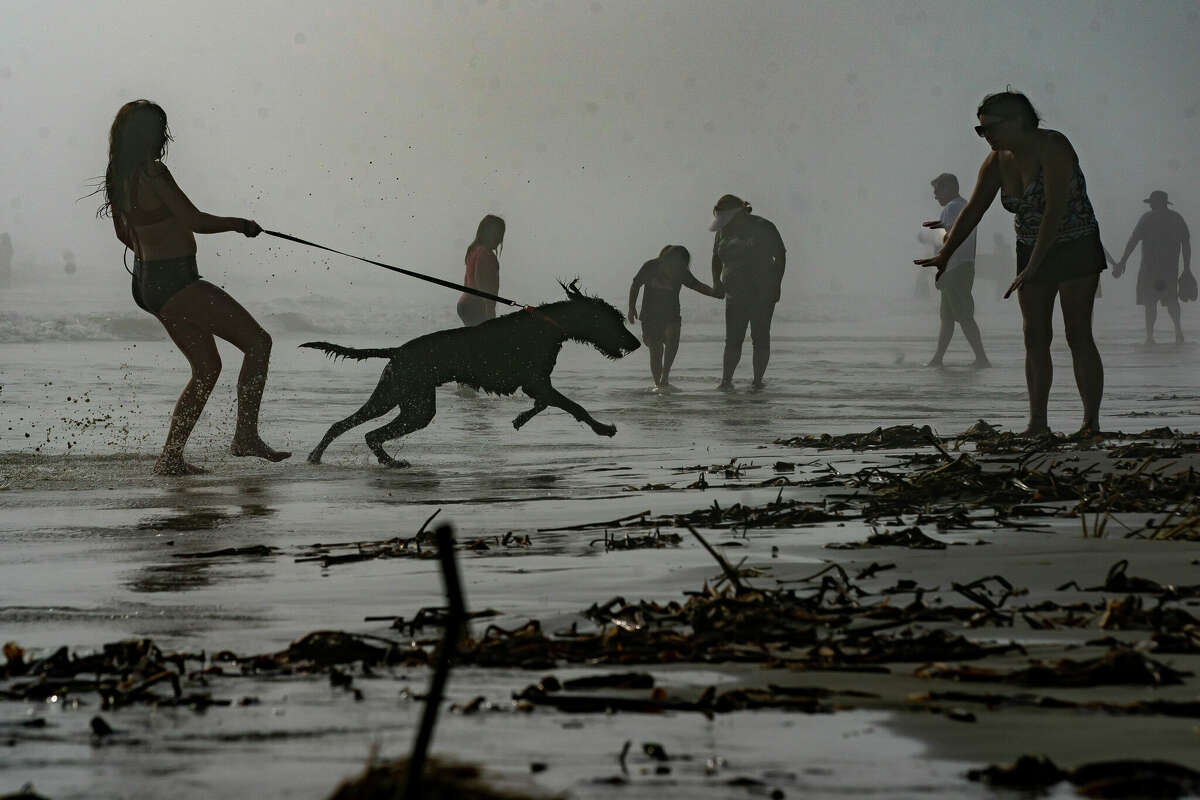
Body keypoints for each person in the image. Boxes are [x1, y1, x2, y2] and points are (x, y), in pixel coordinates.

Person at [97, 100, 289, 475]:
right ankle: (245, 436)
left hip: (149, 282)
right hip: (177, 280)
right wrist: (242, 224)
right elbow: (195, 220)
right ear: (152, 135)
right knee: (258, 342)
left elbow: (123, 233)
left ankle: (170, 459)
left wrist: (153, 254)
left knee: (206, 369)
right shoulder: (153, 174)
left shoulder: (118, 175)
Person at [915, 90, 1106, 436]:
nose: (985, 136)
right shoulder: (996, 161)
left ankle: (1090, 423)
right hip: (1030, 244)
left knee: (1078, 333)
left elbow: (1054, 210)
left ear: (1018, 122)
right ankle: (1037, 424)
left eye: (990, 128)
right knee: (1035, 335)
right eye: (980, 130)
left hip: (1075, 243)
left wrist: (1034, 267)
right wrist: (946, 251)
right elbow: (974, 209)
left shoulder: (1053, 147)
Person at [709, 194, 786, 391]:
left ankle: (757, 381)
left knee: (760, 337)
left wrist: (777, 285)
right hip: (734, 293)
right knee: (733, 339)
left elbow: (780, 256)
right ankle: (726, 381)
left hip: (762, 292)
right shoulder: (723, 231)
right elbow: (716, 258)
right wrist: (716, 282)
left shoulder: (764, 227)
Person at [627, 244, 718, 391]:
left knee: (673, 337)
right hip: (650, 316)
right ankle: (658, 385)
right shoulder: (650, 266)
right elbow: (635, 284)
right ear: (664, 259)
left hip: (671, 314)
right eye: (672, 264)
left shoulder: (681, 272)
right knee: (656, 351)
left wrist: (715, 293)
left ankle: (665, 376)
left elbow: (697, 285)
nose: (675, 269)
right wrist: (631, 308)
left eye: (680, 265)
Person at [922, 173, 990, 368]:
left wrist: (940, 268)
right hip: (961, 265)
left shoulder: (951, 208)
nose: (935, 196)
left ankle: (982, 358)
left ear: (951, 187)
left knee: (964, 315)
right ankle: (938, 358)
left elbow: (949, 240)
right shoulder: (964, 206)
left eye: (938, 191)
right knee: (948, 317)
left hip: (954, 267)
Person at [1113, 191, 1192, 344]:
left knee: (1150, 303)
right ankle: (1178, 332)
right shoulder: (1176, 218)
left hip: (1150, 270)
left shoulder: (1147, 218)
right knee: (1172, 300)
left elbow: (1133, 241)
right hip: (1169, 270)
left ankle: (1150, 336)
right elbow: (1186, 244)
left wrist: (1122, 262)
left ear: (1155, 203)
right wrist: (1187, 268)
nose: (1149, 205)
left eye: (1151, 203)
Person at [457, 214, 505, 327]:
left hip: (465, 303)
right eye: (498, 234)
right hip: (477, 306)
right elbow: (483, 287)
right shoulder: (486, 254)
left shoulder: (473, 251)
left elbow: (466, 282)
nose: (500, 239)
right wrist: (490, 314)